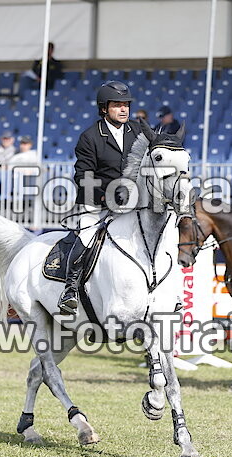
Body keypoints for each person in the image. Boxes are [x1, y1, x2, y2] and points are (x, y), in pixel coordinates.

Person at [58, 80, 141, 315]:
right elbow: (83, 175)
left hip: (134, 203)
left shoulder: (138, 131)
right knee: (86, 236)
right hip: (97, 202)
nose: (124, 109)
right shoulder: (90, 137)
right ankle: (70, 290)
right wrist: (106, 197)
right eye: (117, 105)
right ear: (104, 108)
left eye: (126, 105)